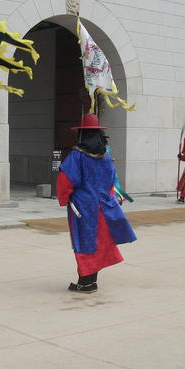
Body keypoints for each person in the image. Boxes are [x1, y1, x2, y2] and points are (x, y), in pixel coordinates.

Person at [56, 114, 136, 293]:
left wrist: (64, 198)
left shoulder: (77, 156)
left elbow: (65, 181)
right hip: (103, 206)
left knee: (84, 242)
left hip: (83, 207)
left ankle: (85, 283)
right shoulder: (106, 156)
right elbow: (111, 180)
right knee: (98, 243)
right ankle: (90, 281)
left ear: (82, 134)